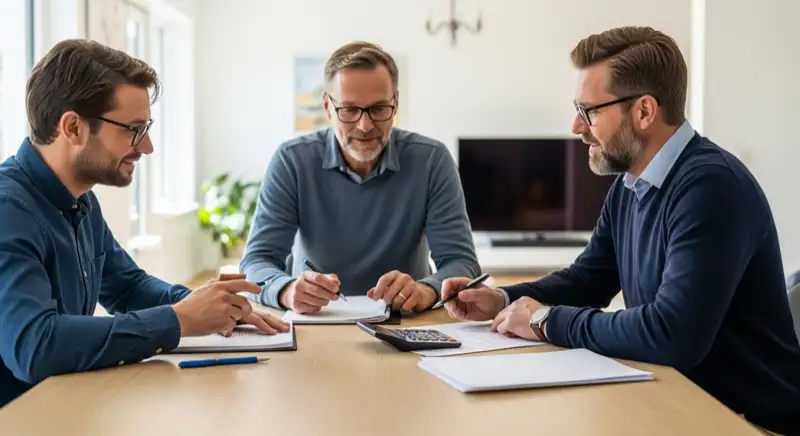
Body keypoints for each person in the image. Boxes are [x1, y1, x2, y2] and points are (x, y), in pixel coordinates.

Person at [442, 26, 800, 435]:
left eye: (589, 110)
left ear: (644, 111)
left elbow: (672, 333)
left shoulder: (710, 187)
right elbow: (589, 280)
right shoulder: (630, 186)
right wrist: (505, 299)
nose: (577, 126)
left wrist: (545, 320)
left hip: (749, 422)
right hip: (677, 402)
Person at [0, 39, 289, 408]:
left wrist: (211, 306)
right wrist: (176, 320)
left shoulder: (80, 199)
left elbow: (126, 286)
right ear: (73, 127)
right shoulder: (8, 209)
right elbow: (34, 346)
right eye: (133, 129)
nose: (147, 146)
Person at [240, 41, 480, 314]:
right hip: (316, 321)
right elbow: (256, 261)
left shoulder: (432, 160)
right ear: (328, 108)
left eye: (378, 109)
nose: (365, 126)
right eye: (349, 110)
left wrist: (426, 290)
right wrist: (286, 290)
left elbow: (461, 263)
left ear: (396, 103)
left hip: (405, 321)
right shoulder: (292, 160)